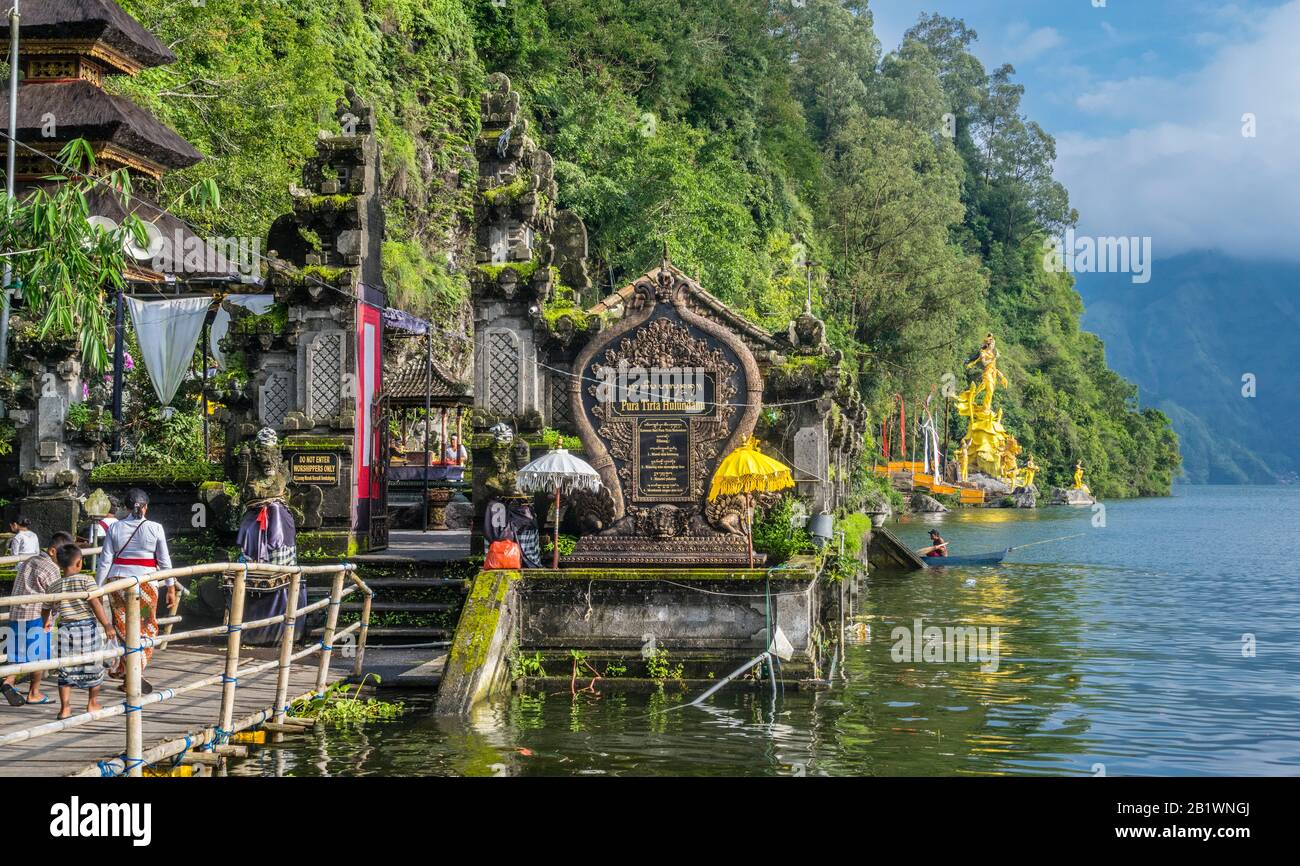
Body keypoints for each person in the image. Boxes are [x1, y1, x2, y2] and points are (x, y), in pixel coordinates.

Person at [95, 488, 174, 693]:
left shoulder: (116, 527)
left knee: (123, 627)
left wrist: (98, 588)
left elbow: (105, 561)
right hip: (146, 585)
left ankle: (128, 671)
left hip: (118, 584)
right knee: (146, 625)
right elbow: (164, 561)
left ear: (127, 507)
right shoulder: (156, 528)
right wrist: (171, 586)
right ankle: (135, 673)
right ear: (146, 506)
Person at [1, 531, 74, 707]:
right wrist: (55, 617)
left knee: (16, 654)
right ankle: (34, 692)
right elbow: (55, 599)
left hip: (16, 613)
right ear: (53, 551)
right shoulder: (52, 569)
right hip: (37, 616)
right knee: (39, 656)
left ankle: (8, 682)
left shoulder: (29, 560)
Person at [45, 544, 112, 720]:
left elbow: (46, 607)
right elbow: (95, 603)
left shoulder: (54, 585)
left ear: (58, 563)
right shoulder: (86, 580)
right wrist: (107, 625)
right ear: (79, 563)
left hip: (65, 628)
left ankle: (65, 708)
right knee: (94, 665)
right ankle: (92, 703)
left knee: (65, 668)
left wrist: (46, 622)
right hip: (87, 628)